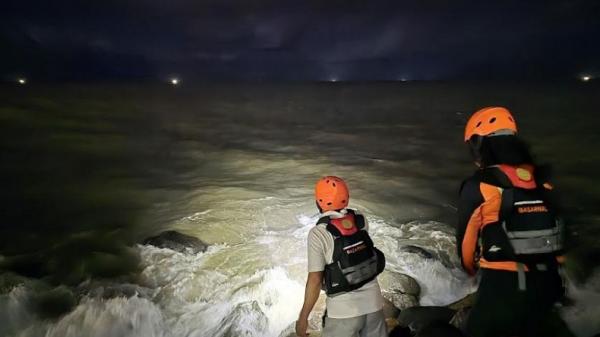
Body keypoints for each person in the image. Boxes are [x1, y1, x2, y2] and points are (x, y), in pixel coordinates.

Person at [456, 106, 574, 337]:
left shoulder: (479, 185)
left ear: (480, 144)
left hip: (503, 288)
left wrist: (472, 269)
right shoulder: (541, 181)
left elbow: (466, 251)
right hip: (549, 286)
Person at [296, 176, 387, 337]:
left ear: (319, 201)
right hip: (374, 305)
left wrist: (303, 317)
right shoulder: (360, 219)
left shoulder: (319, 233)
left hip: (343, 313)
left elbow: (315, 279)